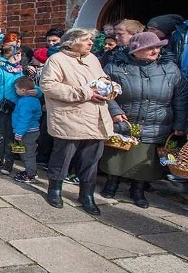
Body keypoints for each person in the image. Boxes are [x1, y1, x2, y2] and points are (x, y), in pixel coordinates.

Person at [101, 32, 187, 207]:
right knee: (117, 153)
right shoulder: (115, 67)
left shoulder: (170, 68)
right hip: (126, 119)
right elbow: (105, 90)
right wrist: (115, 110)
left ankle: (137, 189)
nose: (156, 50)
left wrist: (180, 124)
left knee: (144, 160)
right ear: (136, 50)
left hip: (156, 121)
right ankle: (111, 183)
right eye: (150, 48)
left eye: (157, 47)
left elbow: (181, 97)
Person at [39, 28, 114, 215]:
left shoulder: (92, 59)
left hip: (95, 118)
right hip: (70, 117)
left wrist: (110, 88)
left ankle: (87, 194)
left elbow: (102, 79)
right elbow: (48, 86)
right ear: (71, 42)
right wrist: (84, 93)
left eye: (91, 40)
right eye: (86, 40)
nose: (90, 43)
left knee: (91, 158)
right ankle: (55, 189)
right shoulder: (57, 60)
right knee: (63, 156)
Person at [0, 45, 27, 174]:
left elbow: (26, 86)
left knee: (12, 137)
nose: (21, 57)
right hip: (0, 108)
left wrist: (37, 92)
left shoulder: (19, 70)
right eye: (19, 54)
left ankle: (9, 161)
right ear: (13, 55)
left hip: (15, 108)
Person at [11, 76, 42, 183]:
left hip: (27, 132)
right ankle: (29, 170)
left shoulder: (26, 102)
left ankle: (31, 174)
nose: (15, 91)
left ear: (23, 90)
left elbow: (24, 119)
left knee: (28, 153)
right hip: (28, 131)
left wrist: (19, 132)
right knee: (24, 152)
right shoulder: (32, 100)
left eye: (16, 89)